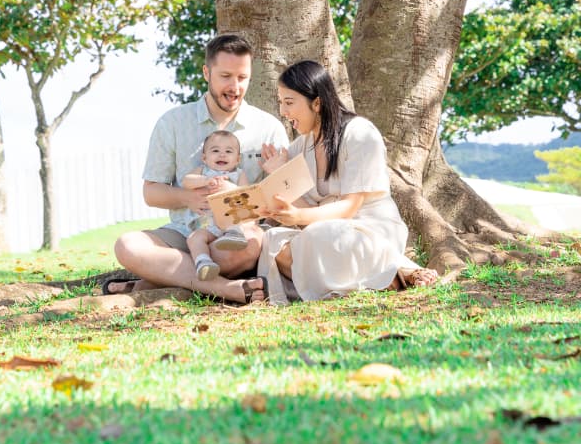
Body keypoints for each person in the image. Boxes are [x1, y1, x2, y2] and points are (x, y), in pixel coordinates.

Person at [105, 34, 289, 304]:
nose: (235, 87)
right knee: (127, 246)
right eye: (225, 76)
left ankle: (155, 278)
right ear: (206, 72)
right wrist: (190, 198)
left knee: (251, 244)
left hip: (237, 235)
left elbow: (281, 198)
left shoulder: (269, 128)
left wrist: (240, 195)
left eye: (242, 77)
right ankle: (227, 289)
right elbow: (152, 193)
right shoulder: (173, 122)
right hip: (184, 232)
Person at [257, 60, 439, 305]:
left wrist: (297, 217)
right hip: (323, 233)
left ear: (317, 102)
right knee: (272, 243)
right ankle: (380, 279)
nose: (283, 112)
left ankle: (391, 272)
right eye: (281, 102)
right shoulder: (302, 146)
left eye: (289, 103)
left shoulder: (359, 133)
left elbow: (349, 208)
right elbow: (293, 204)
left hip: (366, 227)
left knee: (319, 235)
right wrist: (277, 175)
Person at [182, 129, 252, 280]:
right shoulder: (203, 171)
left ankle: (235, 235)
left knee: (233, 218)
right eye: (215, 150)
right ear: (204, 158)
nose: (222, 154)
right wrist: (205, 181)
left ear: (237, 159)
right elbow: (186, 181)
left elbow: (247, 194)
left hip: (228, 222)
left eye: (228, 151)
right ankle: (203, 262)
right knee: (194, 238)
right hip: (206, 225)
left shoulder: (239, 174)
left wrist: (230, 188)